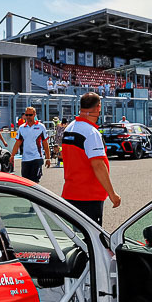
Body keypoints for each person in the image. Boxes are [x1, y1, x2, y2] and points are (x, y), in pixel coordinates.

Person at [60, 92, 120, 222]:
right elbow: (98, 165)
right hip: (89, 196)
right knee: (92, 233)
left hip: (70, 192)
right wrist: (112, 194)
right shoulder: (91, 133)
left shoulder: (69, 128)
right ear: (99, 107)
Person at [13, 107, 48, 183]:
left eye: (30, 115)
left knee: (34, 181)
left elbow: (45, 143)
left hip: (37, 158)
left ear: (34, 114)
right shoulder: (21, 128)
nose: (28, 117)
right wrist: (12, 156)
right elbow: (17, 143)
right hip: (25, 159)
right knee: (26, 182)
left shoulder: (41, 127)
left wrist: (48, 158)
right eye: (27, 115)